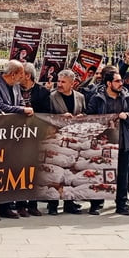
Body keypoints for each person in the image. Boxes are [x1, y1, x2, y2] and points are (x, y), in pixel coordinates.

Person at [87, 68, 129, 216]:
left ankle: (122, 203)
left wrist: (127, 116)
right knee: (99, 173)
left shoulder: (126, 96)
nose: (121, 83)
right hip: (103, 144)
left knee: (122, 175)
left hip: (122, 142)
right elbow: (89, 117)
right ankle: (96, 203)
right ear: (109, 83)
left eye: (121, 80)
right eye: (117, 81)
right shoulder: (97, 98)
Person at [0, 60, 34, 220]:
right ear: (13, 74)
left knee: (9, 171)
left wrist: (22, 108)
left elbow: (20, 102)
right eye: (21, 74)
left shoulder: (15, 85)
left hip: (13, 135)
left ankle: (5, 207)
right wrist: (22, 110)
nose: (23, 77)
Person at [47, 69, 87, 215]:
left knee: (71, 171)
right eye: (58, 81)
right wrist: (61, 117)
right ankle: (52, 203)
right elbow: (47, 116)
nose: (59, 84)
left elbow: (86, 113)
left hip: (74, 139)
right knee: (56, 171)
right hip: (57, 138)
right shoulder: (52, 97)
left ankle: (69, 202)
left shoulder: (80, 97)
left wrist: (82, 116)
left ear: (72, 83)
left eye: (63, 82)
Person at [15, 62, 50, 217]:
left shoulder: (42, 92)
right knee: (20, 169)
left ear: (28, 76)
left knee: (35, 170)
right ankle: (20, 204)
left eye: (21, 73)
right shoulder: (15, 89)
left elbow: (47, 113)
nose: (18, 76)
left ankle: (33, 204)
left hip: (36, 136)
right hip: (18, 136)